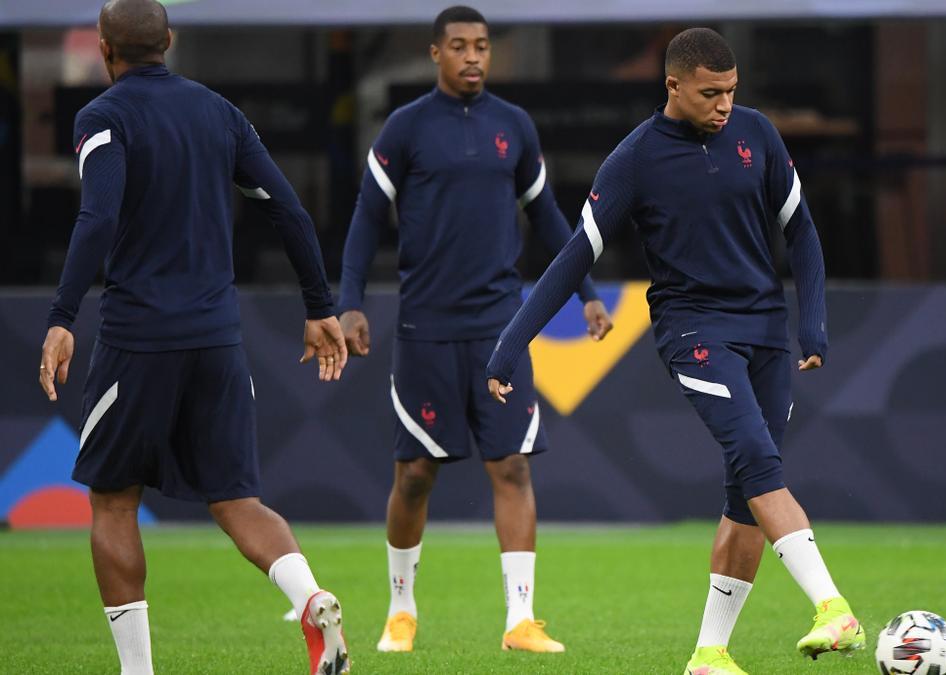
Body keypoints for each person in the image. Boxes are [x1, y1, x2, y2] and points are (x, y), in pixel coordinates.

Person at [486, 27, 864, 674]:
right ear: (674, 86)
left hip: (767, 329)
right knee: (754, 453)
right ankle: (832, 605)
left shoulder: (757, 135)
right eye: (710, 92)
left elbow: (800, 230)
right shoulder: (635, 160)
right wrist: (510, 343)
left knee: (746, 492)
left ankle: (709, 654)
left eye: (731, 91)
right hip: (695, 330)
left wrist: (814, 325)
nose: (723, 104)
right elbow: (576, 254)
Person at [36, 1, 350, 673]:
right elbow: (288, 210)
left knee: (115, 500)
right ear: (170, 42)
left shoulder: (103, 117)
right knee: (238, 499)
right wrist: (319, 303)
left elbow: (97, 217)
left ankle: (138, 670)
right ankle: (311, 596)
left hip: (138, 337)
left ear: (103, 50)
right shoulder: (219, 113)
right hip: (216, 338)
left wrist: (62, 315)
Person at [337, 5, 612, 655]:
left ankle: (521, 620)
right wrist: (348, 301)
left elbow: (548, 219)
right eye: (459, 46)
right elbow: (364, 219)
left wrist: (588, 294)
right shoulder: (405, 129)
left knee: (512, 465)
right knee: (414, 473)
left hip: (501, 329)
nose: (473, 57)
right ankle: (401, 610)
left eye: (482, 46)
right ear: (435, 53)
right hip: (425, 326)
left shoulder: (513, 127)